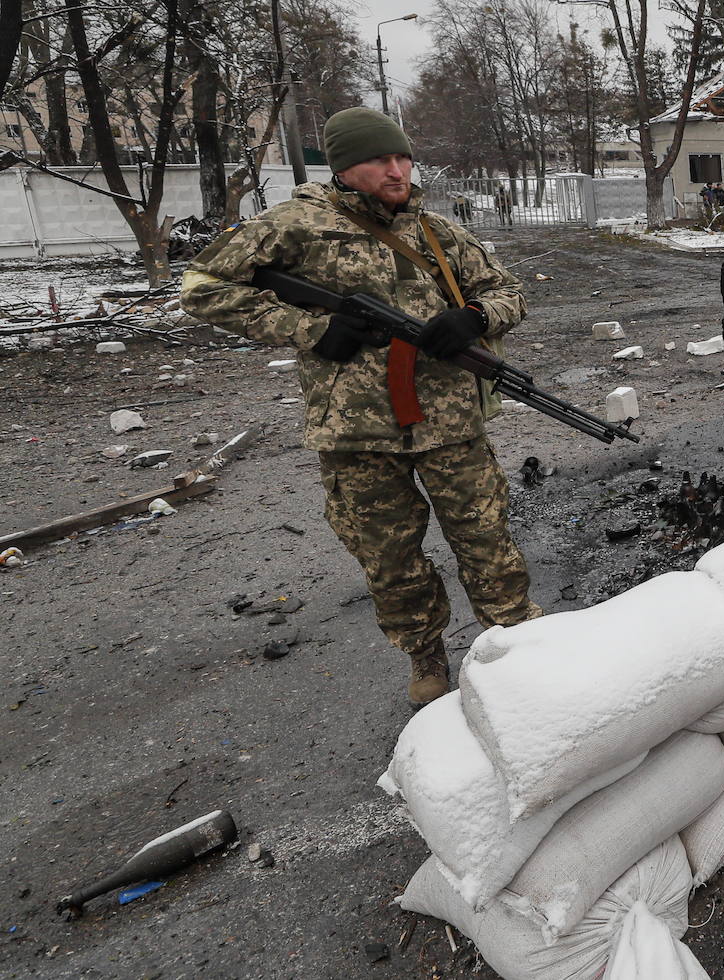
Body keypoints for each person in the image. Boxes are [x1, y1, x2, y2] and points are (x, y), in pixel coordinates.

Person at [180, 107, 541, 709]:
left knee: (486, 536)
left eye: (403, 157)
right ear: (345, 167)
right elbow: (202, 289)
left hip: (449, 421)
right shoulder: (294, 225)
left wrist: (473, 317)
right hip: (355, 431)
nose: (397, 170)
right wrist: (309, 328)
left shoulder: (438, 231)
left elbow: (508, 292)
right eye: (381, 160)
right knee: (389, 554)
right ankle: (425, 654)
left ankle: (516, 641)